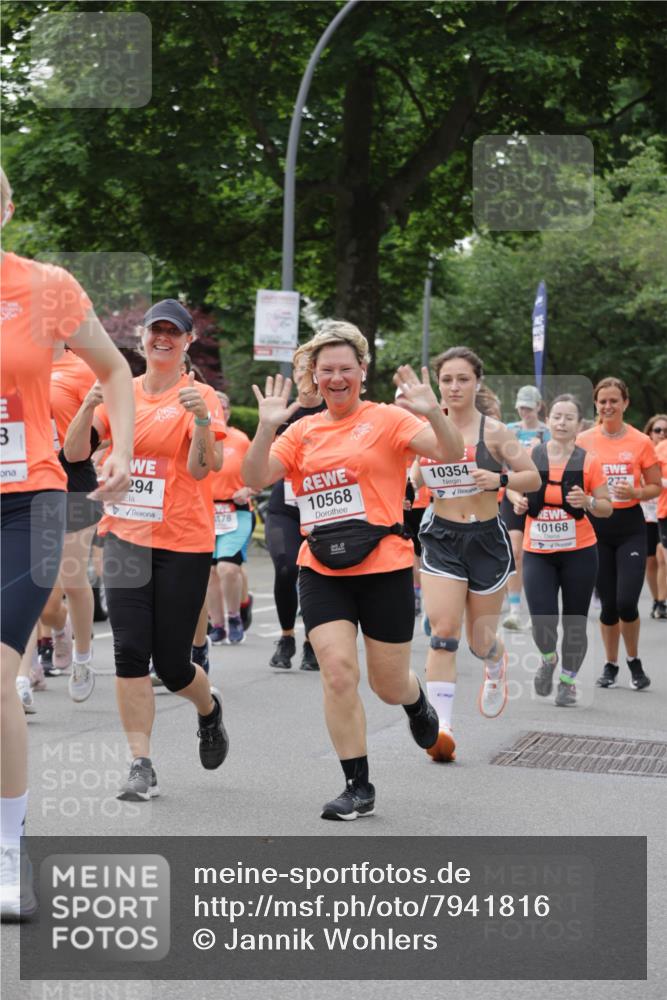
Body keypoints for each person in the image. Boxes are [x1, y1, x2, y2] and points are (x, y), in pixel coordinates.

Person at [242, 321, 463, 820]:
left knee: (386, 684)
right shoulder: (301, 430)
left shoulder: (387, 419)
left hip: (383, 565)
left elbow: (449, 452)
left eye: (346, 369)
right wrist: (266, 425)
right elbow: (255, 478)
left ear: (363, 371)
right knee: (339, 673)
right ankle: (358, 786)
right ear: (313, 377)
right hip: (320, 566)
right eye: (326, 371)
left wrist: (432, 412)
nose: (336, 379)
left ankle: (414, 701)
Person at [1, 166, 133, 919]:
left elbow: (114, 368)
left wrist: (120, 447)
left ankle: (10, 856)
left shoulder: (46, 287)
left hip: (29, 501)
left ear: (7, 208)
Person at [64, 299, 229, 801]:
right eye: (155, 330)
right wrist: (90, 407)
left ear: (186, 341)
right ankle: (141, 763)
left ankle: (209, 709)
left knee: (174, 665)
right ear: (142, 338)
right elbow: (74, 454)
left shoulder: (200, 397)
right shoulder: (121, 393)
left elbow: (204, 469)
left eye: (172, 332)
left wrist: (201, 423)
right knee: (130, 651)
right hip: (125, 538)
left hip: (183, 541)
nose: (163, 338)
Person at [412, 347, 540, 763]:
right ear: (438, 384)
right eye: (446, 379)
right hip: (442, 538)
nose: (453, 387)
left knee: (479, 640)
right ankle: (441, 729)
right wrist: (415, 475)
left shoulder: (497, 431)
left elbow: (533, 478)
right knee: (443, 633)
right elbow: (413, 475)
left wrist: (499, 478)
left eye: (462, 379)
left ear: (477, 382)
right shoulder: (426, 430)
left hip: (486, 539)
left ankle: (495, 660)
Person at [508, 395, 612, 706]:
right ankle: (548, 658)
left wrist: (589, 502)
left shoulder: (589, 461)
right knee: (542, 619)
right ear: (548, 420)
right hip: (538, 552)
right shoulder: (532, 455)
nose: (562, 422)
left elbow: (607, 507)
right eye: (556, 416)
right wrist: (517, 499)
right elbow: (511, 485)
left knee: (574, 620)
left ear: (580, 425)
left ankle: (567, 682)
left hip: (579, 552)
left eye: (569, 418)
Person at [576, 377, 661, 690]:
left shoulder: (641, 442)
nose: (608, 406)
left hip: (630, 527)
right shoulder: (584, 440)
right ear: (596, 404)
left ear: (625, 403)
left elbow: (655, 485)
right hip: (596, 528)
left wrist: (635, 490)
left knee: (627, 602)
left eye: (614, 400)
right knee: (609, 605)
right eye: (602, 401)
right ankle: (610, 664)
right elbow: (572, 479)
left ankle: (633, 661)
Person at [264, 346, 326, 671]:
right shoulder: (283, 412)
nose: (306, 375)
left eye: (311, 367)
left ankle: (311, 643)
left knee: (314, 573)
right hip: (285, 505)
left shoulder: (335, 411)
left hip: (324, 507)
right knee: (286, 566)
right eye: (300, 367)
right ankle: (287, 636)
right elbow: (264, 458)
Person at [499, 385, 550, 630]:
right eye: (521, 407)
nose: (524, 411)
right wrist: (514, 494)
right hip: (512, 493)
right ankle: (515, 610)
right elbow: (504, 470)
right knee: (515, 550)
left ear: (538, 406)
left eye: (529, 407)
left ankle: (541, 609)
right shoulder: (509, 431)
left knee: (538, 555)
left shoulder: (547, 432)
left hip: (541, 496)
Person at [206, 392, 254, 646]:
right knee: (210, 572)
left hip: (236, 511)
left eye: (223, 407)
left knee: (227, 568)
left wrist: (248, 489)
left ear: (229, 411)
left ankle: (235, 616)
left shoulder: (240, 440)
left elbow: (256, 472)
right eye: (214, 407)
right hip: (204, 512)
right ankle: (217, 625)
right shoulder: (200, 437)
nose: (219, 411)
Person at [642, 415, 667, 619]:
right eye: (657, 430)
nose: (662, 434)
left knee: (662, 555)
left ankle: (662, 601)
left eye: (666, 431)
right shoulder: (643, 452)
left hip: (663, 511)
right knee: (651, 560)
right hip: (646, 512)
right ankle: (656, 599)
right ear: (650, 432)